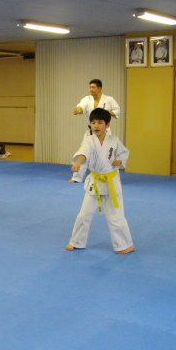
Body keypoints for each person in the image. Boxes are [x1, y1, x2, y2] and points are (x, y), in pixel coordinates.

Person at [65, 108, 135, 255]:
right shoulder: (89, 140)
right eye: (93, 122)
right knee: (84, 214)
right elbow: (84, 152)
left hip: (111, 182)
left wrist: (119, 160)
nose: (96, 125)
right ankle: (76, 242)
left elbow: (124, 152)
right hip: (95, 181)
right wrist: (78, 162)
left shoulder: (114, 140)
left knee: (115, 215)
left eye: (100, 122)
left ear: (107, 125)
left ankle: (125, 245)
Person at [70, 79, 120, 183]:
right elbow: (81, 106)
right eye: (90, 87)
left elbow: (117, 111)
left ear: (99, 88)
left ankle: (111, 177)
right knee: (83, 152)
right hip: (91, 131)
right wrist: (78, 109)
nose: (91, 89)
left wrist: (105, 113)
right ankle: (76, 177)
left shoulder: (109, 99)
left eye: (93, 87)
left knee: (108, 154)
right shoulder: (87, 99)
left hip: (104, 132)